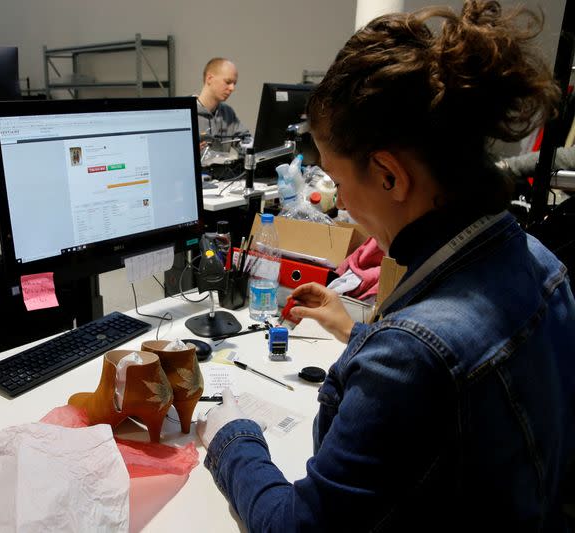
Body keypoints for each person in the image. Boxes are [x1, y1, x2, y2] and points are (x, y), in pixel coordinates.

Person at [196, 1, 575, 531]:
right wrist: (356, 332)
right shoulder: (545, 266)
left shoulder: (412, 357)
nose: (342, 202)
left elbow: (295, 526)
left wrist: (232, 435)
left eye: (338, 179)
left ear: (390, 177)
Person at [196, 57, 250, 153]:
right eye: (228, 82)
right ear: (209, 79)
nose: (232, 88)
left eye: (234, 83)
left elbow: (245, 140)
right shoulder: (185, 112)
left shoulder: (227, 113)